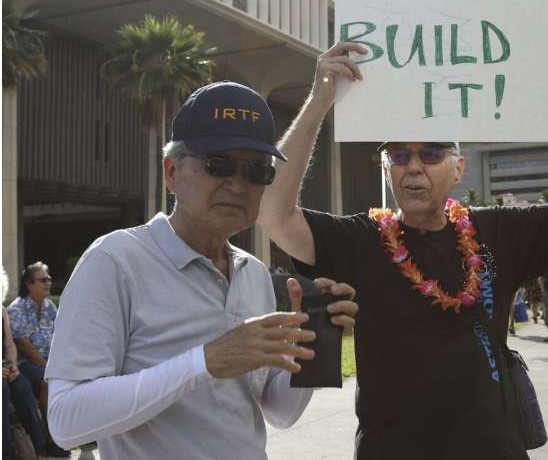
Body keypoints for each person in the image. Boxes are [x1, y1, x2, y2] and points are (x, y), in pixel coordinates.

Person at [257, 41, 548, 458]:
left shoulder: (497, 230)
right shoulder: (359, 239)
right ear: (387, 170)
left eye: (430, 153)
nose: (413, 166)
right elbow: (273, 212)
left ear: (458, 168)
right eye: (399, 155)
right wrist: (318, 102)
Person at [44, 81, 358, 460]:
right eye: (218, 164)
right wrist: (204, 361)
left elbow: (279, 412)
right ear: (171, 173)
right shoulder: (115, 261)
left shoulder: (254, 274)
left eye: (257, 171)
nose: (238, 184)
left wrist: (316, 340)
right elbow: (66, 421)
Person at [7, 262, 69, 457]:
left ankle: (76, 432)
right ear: (29, 284)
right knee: (47, 380)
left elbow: (61, 335)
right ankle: (51, 438)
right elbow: (23, 345)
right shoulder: (17, 308)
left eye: (49, 279)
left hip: (49, 361)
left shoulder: (50, 306)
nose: (48, 283)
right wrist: (50, 366)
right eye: (43, 280)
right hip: (28, 363)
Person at [2, 268, 48, 460]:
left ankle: (39, 448)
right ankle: (6, 452)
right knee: (2, 390)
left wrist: (12, 364)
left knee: (22, 386)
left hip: (5, 366)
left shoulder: (1, 311)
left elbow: (9, 344)